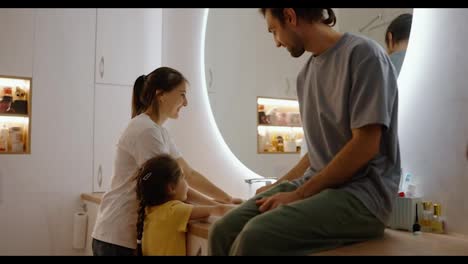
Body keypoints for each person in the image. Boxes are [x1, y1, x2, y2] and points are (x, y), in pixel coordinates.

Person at [208, 8, 400, 255]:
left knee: (256, 236)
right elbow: (317, 154)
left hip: (364, 196)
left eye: (274, 30)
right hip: (317, 186)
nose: (276, 42)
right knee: (222, 230)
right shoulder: (305, 76)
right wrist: (278, 185)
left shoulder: (364, 55)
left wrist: (298, 194)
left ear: (290, 16)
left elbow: (365, 145)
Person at [92, 66, 242, 256]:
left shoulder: (159, 131)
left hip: (121, 235)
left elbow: (188, 174)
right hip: (117, 234)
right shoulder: (145, 131)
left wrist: (226, 199)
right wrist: (219, 208)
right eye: (182, 94)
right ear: (161, 94)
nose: (185, 102)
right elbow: (169, 185)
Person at [134, 154, 234, 256]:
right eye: (183, 178)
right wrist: (246, 207)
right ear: (171, 188)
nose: (187, 184)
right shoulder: (174, 210)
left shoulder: (148, 211)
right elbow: (218, 210)